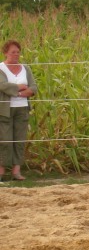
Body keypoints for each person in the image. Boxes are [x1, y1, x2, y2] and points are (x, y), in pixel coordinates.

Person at [0, 40, 38, 181]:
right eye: (12, 52)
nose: (16, 54)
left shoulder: (25, 68)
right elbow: (3, 85)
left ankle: (16, 171)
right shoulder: (1, 68)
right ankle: (1, 171)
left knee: (19, 140)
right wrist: (21, 86)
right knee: (5, 140)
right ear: (5, 53)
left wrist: (19, 92)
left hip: (22, 109)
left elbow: (33, 88)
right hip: (5, 109)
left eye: (18, 52)